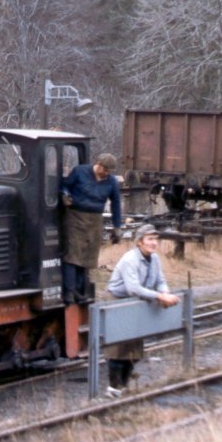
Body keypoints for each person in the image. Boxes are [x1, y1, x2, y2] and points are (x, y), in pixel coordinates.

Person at [104, 223, 179, 395]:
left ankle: (124, 388)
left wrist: (165, 292)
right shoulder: (130, 259)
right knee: (118, 349)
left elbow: (160, 280)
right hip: (120, 302)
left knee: (134, 350)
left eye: (155, 239)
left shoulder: (154, 259)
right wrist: (160, 297)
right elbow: (133, 288)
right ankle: (113, 389)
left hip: (137, 303)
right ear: (140, 242)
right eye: (150, 239)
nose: (154, 243)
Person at [60, 153, 122, 304]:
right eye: (106, 170)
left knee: (88, 257)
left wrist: (117, 226)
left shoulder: (111, 182)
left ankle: (81, 291)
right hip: (75, 217)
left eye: (110, 171)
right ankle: (69, 292)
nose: (107, 173)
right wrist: (65, 194)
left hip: (95, 220)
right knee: (73, 255)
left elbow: (116, 204)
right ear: (98, 164)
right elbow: (64, 185)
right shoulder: (80, 172)